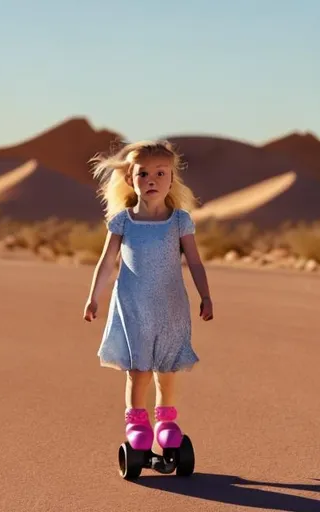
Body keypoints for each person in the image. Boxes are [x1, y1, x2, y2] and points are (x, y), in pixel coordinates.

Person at [83, 140, 213, 452]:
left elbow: (194, 261)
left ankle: (167, 422)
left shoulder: (180, 221)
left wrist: (206, 296)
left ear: (172, 179)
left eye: (160, 173)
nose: (151, 179)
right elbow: (106, 263)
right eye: (143, 174)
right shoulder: (123, 221)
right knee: (138, 370)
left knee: (166, 370)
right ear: (130, 179)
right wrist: (93, 298)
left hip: (170, 307)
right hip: (132, 306)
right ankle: (137, 422)